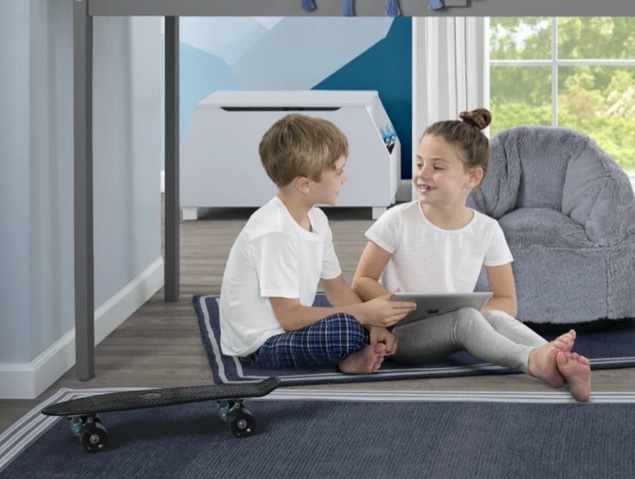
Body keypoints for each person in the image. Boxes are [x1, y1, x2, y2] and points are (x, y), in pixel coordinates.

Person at [352, 109, 592, 401]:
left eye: (437, 167)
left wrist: (480, 318)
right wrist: (390, 309)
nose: (422, 175)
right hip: (401, 336)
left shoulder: (487, 229)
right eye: (419, 163)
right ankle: (532, 360)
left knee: (495, 320)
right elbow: (362, 279)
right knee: (466, 318)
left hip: (457, 329)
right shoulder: (397, 220)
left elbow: (507, 302)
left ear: (472, 177)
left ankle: (555, 360)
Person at [218, 113, 412, 374]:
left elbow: (336, 288)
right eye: (339, 171)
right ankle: (348, 356)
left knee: (358, 321)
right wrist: (365, 314)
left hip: (291, 325)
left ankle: (353, 353)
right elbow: (289, 318)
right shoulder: (274, 233)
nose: (345, 178)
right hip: (260, 343)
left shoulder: (317, 219)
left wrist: (373, 326)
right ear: (305, 185)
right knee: (344, 329)